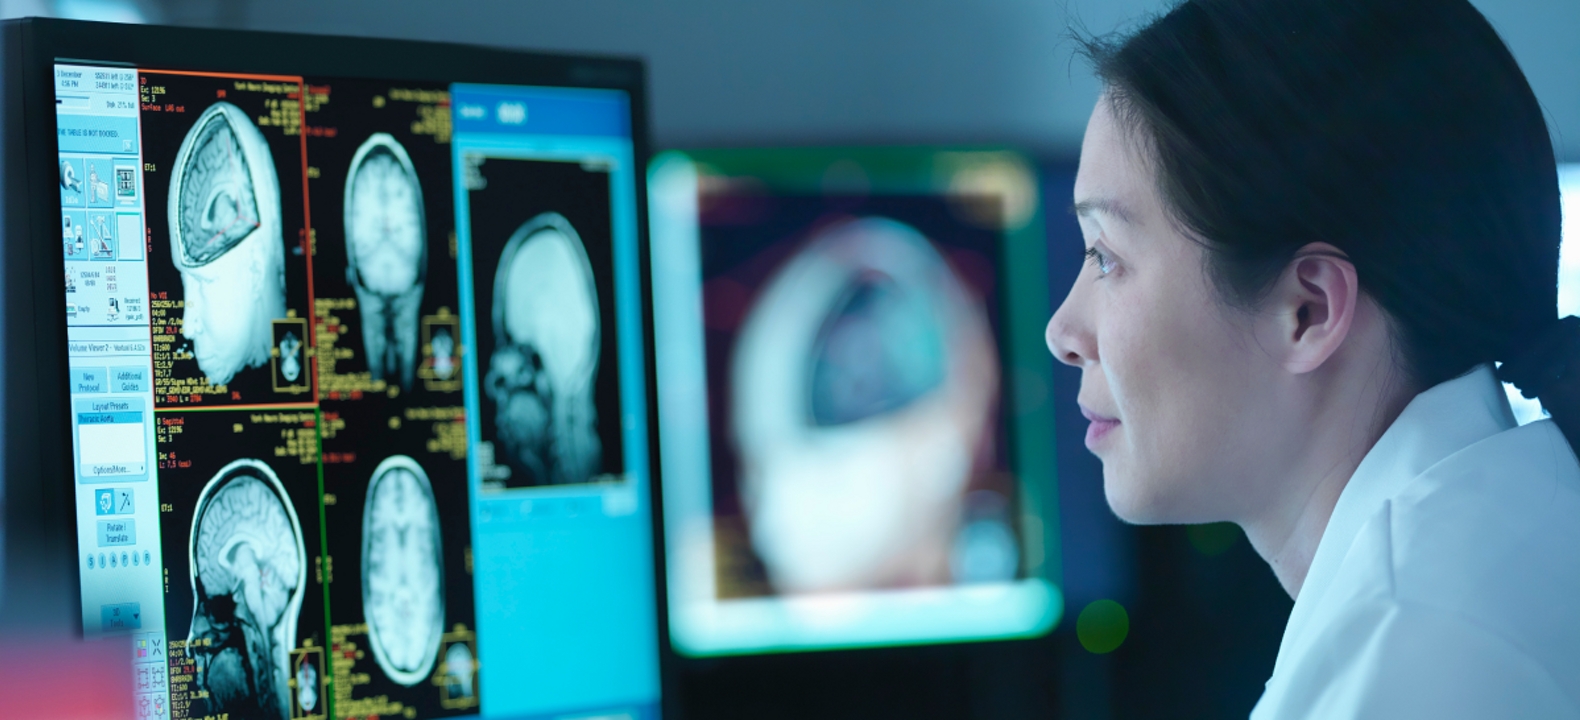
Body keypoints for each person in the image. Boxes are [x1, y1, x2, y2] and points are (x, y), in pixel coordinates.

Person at [1046, 0, 1580, 715]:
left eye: (1105, 256)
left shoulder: (1416, 652)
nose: (1062, 331)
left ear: (1309, 312)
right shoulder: (1507, 530)